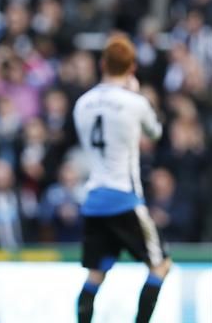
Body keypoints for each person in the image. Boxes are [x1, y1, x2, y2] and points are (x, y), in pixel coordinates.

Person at [72, 35, 172, 323]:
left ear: (102, 64)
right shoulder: (134, 102)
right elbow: (155, 133)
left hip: (93, 199)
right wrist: (136, 92)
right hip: (124, 198)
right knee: (160, 264)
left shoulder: (82, 103)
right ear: (132, 68)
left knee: (96, 273)